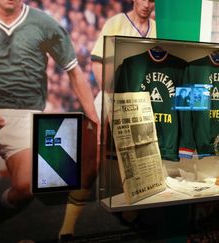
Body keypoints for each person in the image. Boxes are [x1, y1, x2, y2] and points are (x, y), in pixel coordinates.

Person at [0, 0, 99, 241]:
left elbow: (75, 73)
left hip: (27, 114)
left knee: (27, 187)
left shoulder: (45, 23)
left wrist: (94, 122)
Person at [58, 0, 156, 239]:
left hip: (143, 102)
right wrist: (113, 98)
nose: (147, 4)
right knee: (92, 163)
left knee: (140, 160)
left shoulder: (157, 27)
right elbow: (97, 63)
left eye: (152, 0)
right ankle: (67, 228)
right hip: (111, 99)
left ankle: (131, 217)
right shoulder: (116, 22)